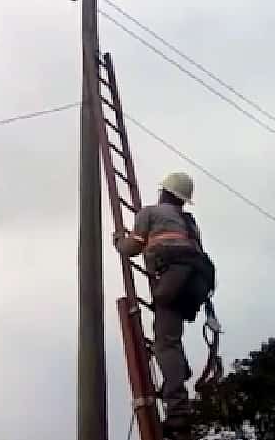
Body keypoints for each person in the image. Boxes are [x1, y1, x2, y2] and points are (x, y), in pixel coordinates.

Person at [114, 171, 215, 435]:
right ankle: (178, 370)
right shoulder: (189, 222)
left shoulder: (150, 213)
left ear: (164, 193)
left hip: (174, 279)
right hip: (196, 283)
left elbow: (130, 248)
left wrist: (118, 240)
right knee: (171, 339)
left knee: (164, 344)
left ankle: (178, 411)